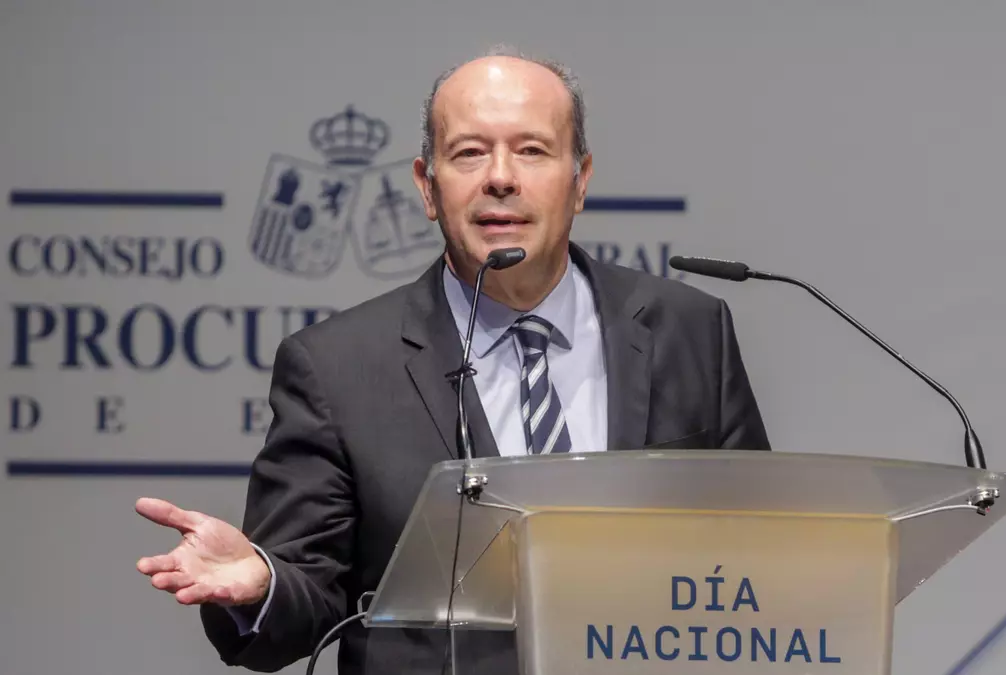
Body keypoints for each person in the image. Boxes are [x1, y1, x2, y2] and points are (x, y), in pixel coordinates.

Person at [133, 46, 771, 675]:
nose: (501, 177)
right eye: (469, 152)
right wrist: (262, 585)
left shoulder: (689, 330)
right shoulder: (336, 368)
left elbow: (763, 548)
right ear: (427, 187)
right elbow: (308, 591)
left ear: (580, 181)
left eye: (532, 150)